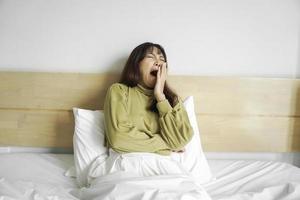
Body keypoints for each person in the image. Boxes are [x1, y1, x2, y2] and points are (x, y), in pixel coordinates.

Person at [103, 42, 193, 156]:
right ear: (136, 64)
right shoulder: (119, 91)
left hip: (165, 168)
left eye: (162, 59)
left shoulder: (173, 100)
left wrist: (160, 97)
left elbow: (181, 141)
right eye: (150, 57)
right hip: (126, 165)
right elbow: (118, 139)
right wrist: (167, 144)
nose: (158, 62)